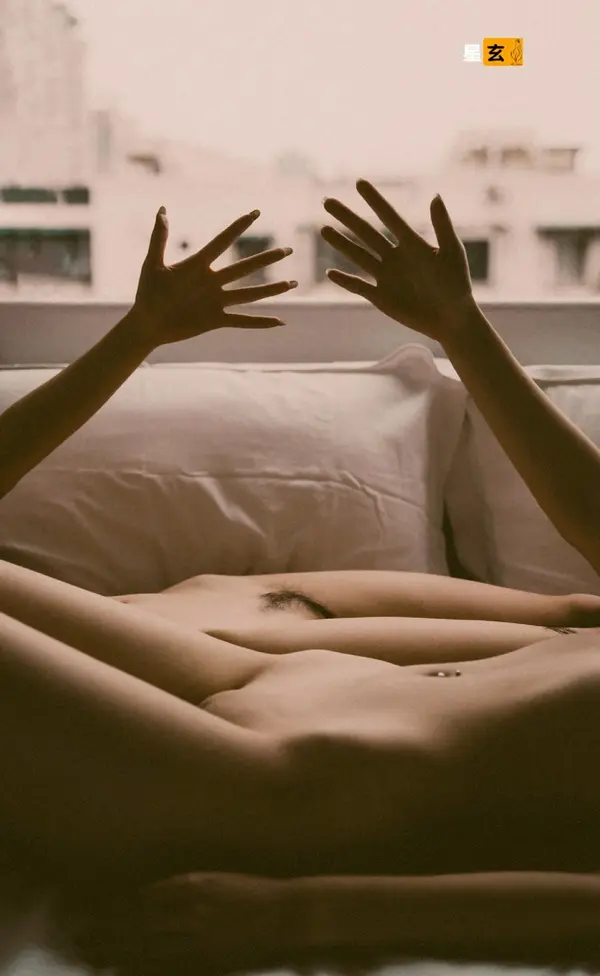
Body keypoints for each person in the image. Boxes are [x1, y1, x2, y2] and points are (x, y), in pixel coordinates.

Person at [1, 186, 600, 973]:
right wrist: (461, 328)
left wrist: (302, 914)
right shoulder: (571, 617)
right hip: (248, 685)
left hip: (279, 785)